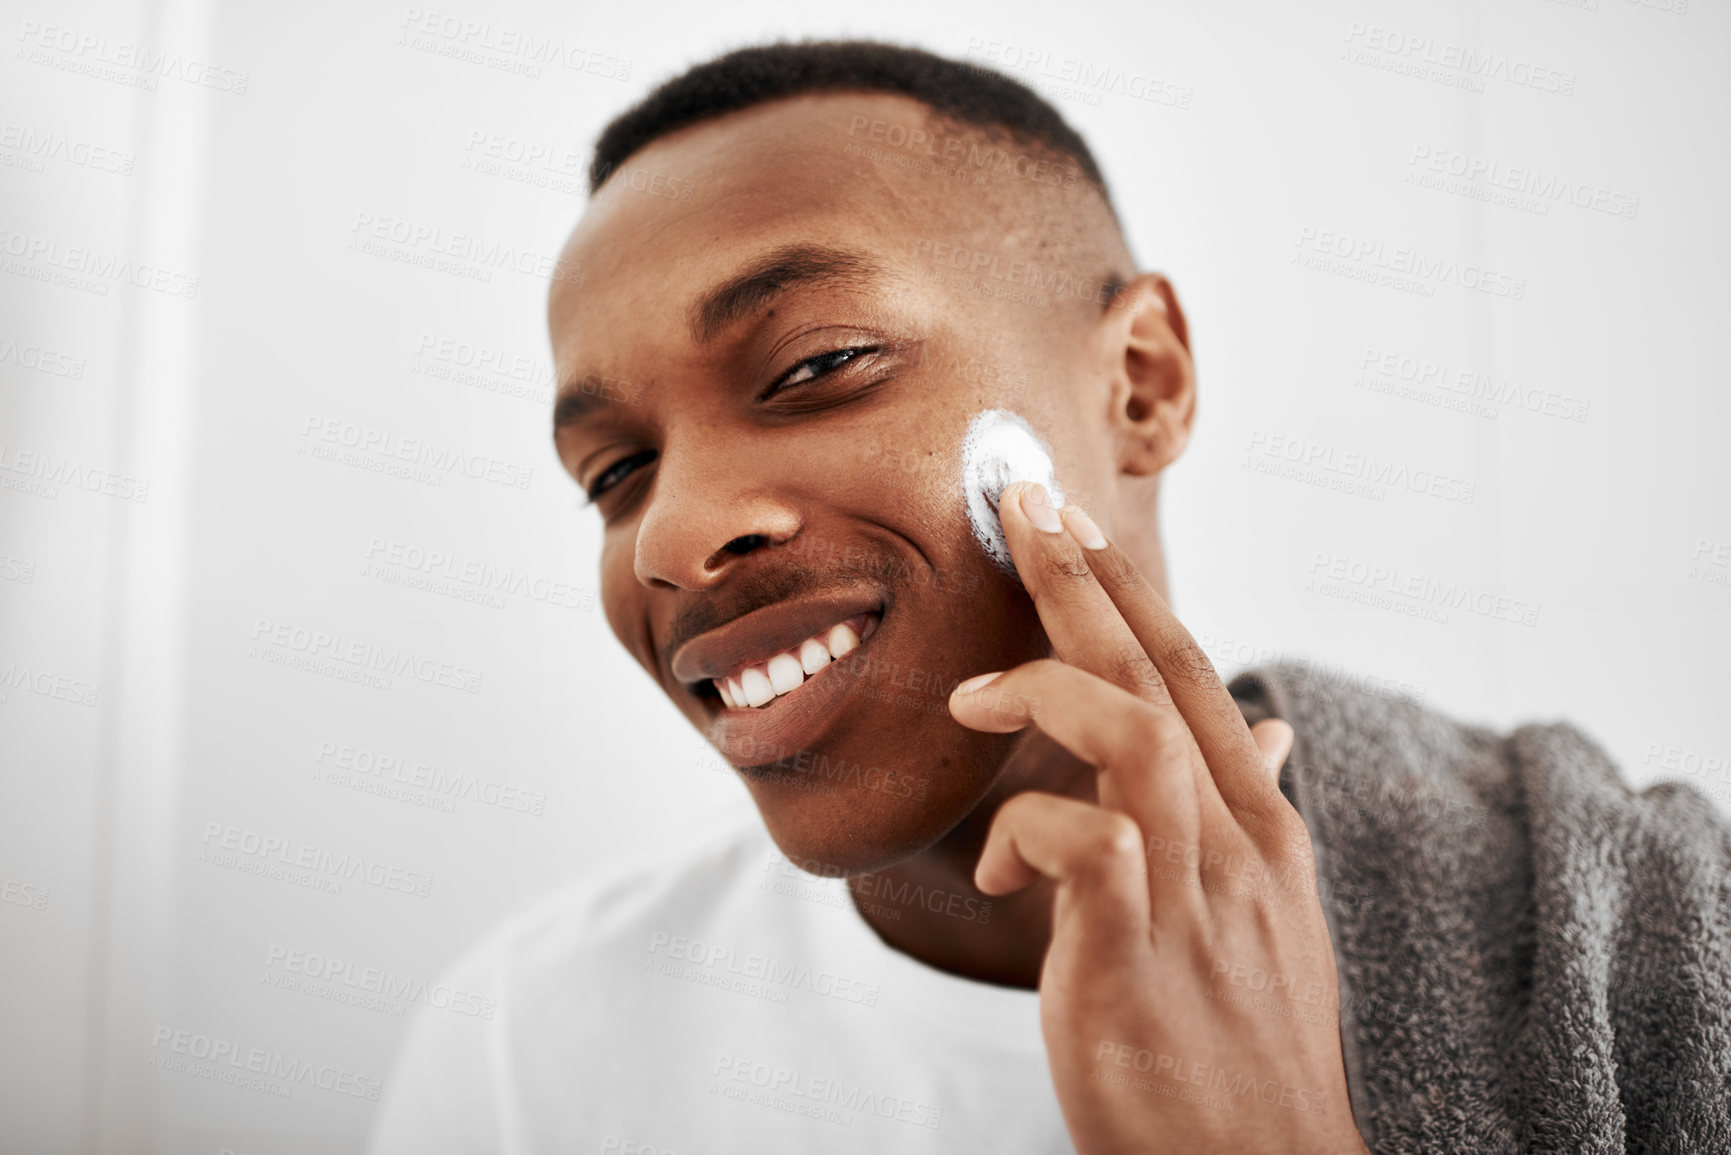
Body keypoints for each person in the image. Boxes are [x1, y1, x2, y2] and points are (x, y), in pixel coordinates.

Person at [369, 41, 1731, 1154]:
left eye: (816, 364)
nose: (674, 534)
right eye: (614, 472)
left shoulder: (1643, 946)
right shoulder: (523, 1055)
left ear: (1141, 382)